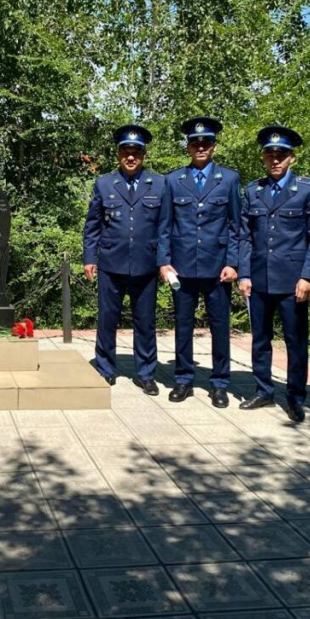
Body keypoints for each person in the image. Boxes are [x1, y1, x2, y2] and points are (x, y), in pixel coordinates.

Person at [238, 126, 310, 422]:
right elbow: (245, 236)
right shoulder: (253, 190)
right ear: (263, 157)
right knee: (260, 339)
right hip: (259, 279)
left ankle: (295, 397)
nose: (275, 160)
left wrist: (308, 277)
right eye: (270, 154)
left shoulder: (308, 190)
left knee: (295, 341)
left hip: (292, 281)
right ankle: (263, 390)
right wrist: (244, 274)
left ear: (292, 158)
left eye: (281, 155)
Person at [158, 118, 242, 408]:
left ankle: (219, 383)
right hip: (182, 266)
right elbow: (165, 225)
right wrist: (164, 262)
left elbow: (235, 225)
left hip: (218, 267)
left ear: (214, 146)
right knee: (182, 325)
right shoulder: (173, 180)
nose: (201, 147)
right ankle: (183, 379)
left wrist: (234, 263)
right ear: (188, 147)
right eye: (195, 143)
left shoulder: (229, 179)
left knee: (220, 326)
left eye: (206, 143)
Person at [82, 124, 168, 395]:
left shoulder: (160, 184)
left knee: (145, 321)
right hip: (111, 263)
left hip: (145, 264)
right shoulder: (104, 183)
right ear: (118, 154)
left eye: (136, 152)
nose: (131, 157)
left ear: (144, 154)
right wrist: (89, 258)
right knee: (107, 318)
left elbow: (165, 228)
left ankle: (145, 373)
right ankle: (105, 368)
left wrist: (164, 262)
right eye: (125, 152)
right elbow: (92, 224)